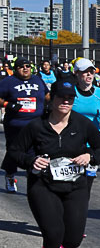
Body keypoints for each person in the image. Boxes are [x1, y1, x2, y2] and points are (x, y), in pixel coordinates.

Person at [8, 78, 100, 248]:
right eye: (61, 98)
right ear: (51, 99)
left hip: (76, 187)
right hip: (43, 186)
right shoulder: (36, 126)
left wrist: (90, 156)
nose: (65, 102)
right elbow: (14, 152)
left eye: (70, 98)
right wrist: (30, 161)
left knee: (72, 240)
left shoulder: (82, 124)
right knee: (53, 234)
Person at [0, 57, 48, 193]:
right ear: (16, 69)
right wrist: (8, 104)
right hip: (16, 124)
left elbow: (47, 95)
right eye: (21, 66)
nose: (25, 68)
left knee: (35, 151)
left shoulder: (37, 80)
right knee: (14, 152)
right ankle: (10, 175)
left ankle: (33, 179)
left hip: (36, 123)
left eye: (28, 66)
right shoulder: (8, 82)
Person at [70, 59, 100, 133]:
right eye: (85, 71)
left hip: (94, 138)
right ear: (76, 73)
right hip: (73, 138)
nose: (89, 74)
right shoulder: (70, 92)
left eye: (92, 71)